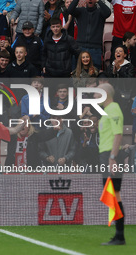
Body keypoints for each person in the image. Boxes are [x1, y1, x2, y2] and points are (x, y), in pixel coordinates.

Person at [94, 83, 125, 245]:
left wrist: (112, 157)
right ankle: (118, 234)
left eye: (97, 93)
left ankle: (120, 235)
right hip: (106, 156)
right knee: (112, 195)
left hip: (111, 156)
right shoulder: (107, 111)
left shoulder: (113, 109)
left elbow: (118, 134)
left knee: (115, 194)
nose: (94, 96)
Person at [68, 0, 111, 70]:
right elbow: (70, 10)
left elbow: (107, 13)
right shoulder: (81, 11)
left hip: (95, 48)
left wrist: (98, 1)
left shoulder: (100, 12)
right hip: (80, 47)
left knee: (94, 73)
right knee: (78, 72)